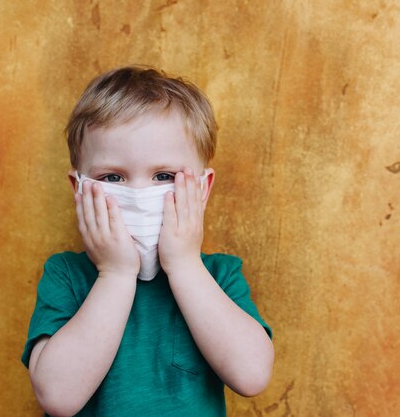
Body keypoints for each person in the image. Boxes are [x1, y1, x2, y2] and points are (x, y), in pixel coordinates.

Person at [20, 66, 274, 416]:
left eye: (164, 176)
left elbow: (253, 376)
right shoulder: (66, 275)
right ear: (79, 189)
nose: (139, 194)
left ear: (201, 189)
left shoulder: (219, 275)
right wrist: (116, 274)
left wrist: (185, 265)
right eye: (113, 176)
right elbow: (58, 398)